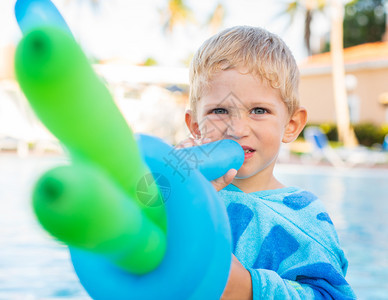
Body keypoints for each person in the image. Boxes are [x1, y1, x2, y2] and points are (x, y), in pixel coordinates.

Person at [182, 26, 356, 299]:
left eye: (259, 110)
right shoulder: (183, 194)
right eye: (219, 110)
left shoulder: (303, 216)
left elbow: (332, 295)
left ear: (291, 125)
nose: (237, 129)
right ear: (195, 125)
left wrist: (249, 288)